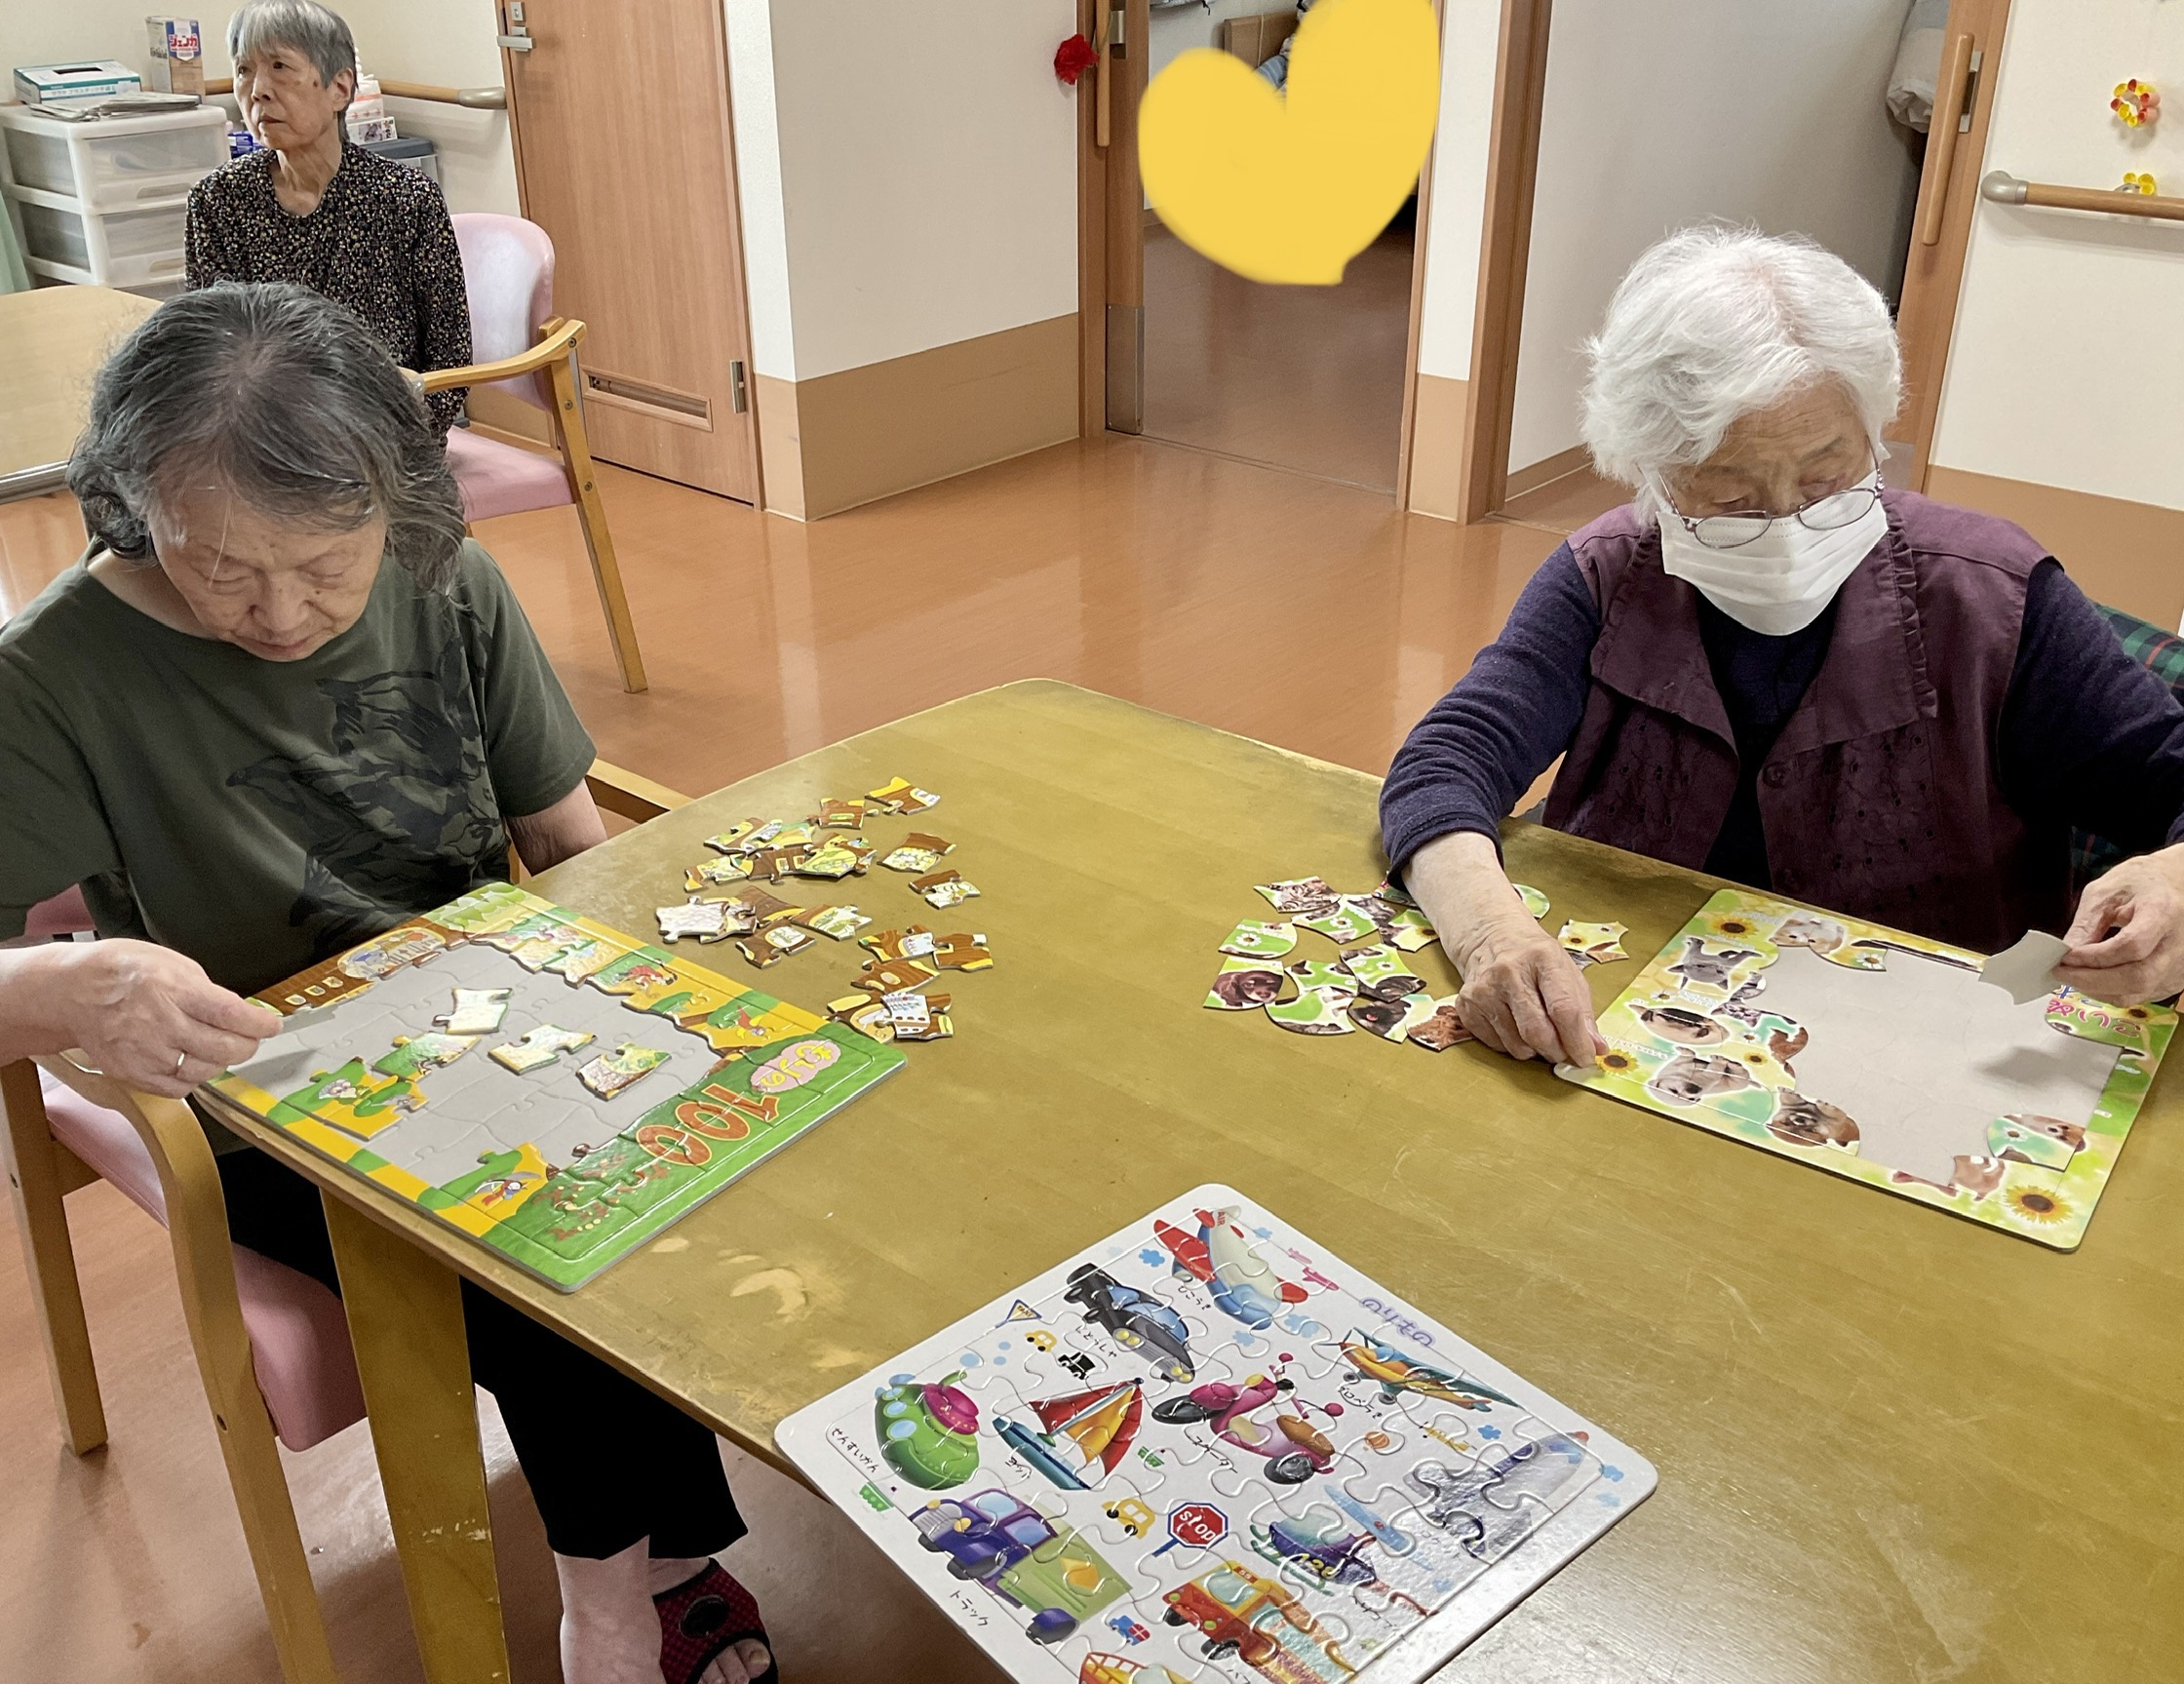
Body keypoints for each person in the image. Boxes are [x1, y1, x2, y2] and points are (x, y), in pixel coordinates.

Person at [0, 285, 772, 1684]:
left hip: (511, 1019)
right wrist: (62, 987)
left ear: (394, 502)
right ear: (132, 503)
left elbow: (568, 841)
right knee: (548, 1250)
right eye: (219, 567)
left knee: (695, 1153)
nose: (279, 611)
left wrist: (668, 992)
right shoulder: (52, 678)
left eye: (322, 564)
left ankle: (656, 1557)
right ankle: (624, 1597)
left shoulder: (440, 567)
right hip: (269, 1096)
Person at [1381, 226, 2184, 1065]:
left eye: (1826, 480)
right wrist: (1491, 934)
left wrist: (2175, 879)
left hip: (1933, 1050)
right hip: (1632, 1027)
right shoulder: (1609, 573)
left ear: (1873, 435)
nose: (1787, 526)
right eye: (1731, 500)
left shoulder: (1994, 596)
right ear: (1653, 475)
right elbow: (1448, 761)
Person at [186, 0, 471, 437]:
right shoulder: (219, 201)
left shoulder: (405, 199)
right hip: (263, 440)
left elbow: (450, 358)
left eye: (280, 66)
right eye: (244, 70)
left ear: (340, 88)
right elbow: (212, 349)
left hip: (388, 436)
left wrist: (400, 445)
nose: (258, 90)